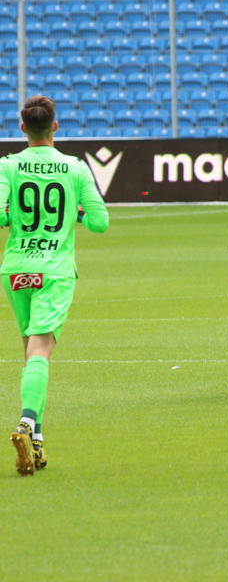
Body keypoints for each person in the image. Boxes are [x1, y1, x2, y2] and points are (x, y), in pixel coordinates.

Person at [1, 95, 109, 476]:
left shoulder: (8, 166)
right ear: (55, 127)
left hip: (15, 270)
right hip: (54, 269)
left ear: (22, 128)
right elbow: (99, 222)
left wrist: (13, 213)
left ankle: (39, 440)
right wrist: (74, 213)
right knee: (41, 350)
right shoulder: (75, 168)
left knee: (32, 351)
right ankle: (27, 421)